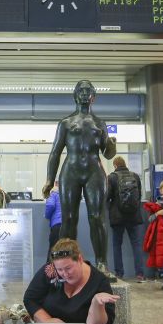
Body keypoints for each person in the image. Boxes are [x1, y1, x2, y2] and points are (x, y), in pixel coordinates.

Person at [42, 80, 117, 274]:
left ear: (94, 96)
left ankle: (102, 263)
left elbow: (107, 154)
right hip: (71, 171)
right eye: (81, 90)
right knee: (68, 218)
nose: (84, 93)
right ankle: (66, 262)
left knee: (97, 217)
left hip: (94, 171)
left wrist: (111, 145)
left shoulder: (100, 123)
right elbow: (55, 152)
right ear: (75, 96)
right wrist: (50, 180)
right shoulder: (66, 122)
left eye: (88, 90)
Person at [19, 238, 123, 324]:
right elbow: (30, 299)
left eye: (68, 268)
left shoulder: (99, 281)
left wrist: (97, 303)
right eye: (59, 269)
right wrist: (47, 320)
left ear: (80, 259)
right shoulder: (49, 271)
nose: (64, 274)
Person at [106, 156, 145, 282]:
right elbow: (140, 195)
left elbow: (107, 196)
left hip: (118, 217)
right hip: (134, 216)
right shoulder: (135, 176)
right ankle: (140, 274)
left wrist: (110, 208)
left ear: (115, 165)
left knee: (117, 245)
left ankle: (119, 273)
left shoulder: (111, 177)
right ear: (125, 164)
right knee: (136, 245)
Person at [44, 180, 62, 259]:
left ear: (56, 184)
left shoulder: (54, 194)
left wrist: (47, 216)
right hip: (69, 226)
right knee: (66, 252)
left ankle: (49, 271)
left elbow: (50, 205)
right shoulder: (70, 195)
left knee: (53, 251)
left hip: (57, 225)